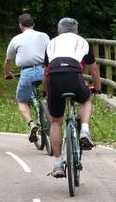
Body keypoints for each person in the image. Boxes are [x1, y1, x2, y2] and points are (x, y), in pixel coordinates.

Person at [43, 17, 101, 177]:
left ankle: (57, 164)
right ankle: (84, 130)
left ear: (59, 30)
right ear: (77, 30)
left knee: (56, 121)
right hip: (74, 75)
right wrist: (97, 87)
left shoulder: (51, 43)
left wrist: (45, 90)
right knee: (86, 99)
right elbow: (94, 70)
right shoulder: (82, 42)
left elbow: (46, 71)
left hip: (54, 77)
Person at [3, 13, 50, 142]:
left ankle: (31, 123)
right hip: (44, 70)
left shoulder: (16, 39)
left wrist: (7, 74)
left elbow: (8, 61)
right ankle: (49, 110)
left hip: (27, 72)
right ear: (33, 25)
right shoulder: (44, 36)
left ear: (20, 26)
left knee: (22, 101)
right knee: (49, 93)